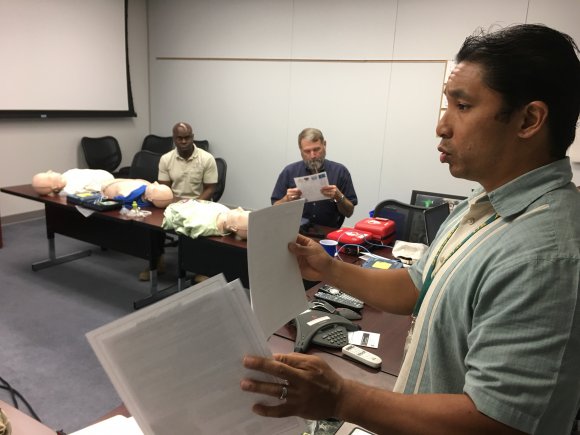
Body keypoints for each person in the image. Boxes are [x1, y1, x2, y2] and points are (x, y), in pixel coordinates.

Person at [241, 24, 580, 434]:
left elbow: (496, 421)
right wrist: (326, 268)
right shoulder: (480, 205)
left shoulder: (546, 254)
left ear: (529, 120)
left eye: (463, 106)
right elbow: (416, 288)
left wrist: (342, 398)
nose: (442, 126)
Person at [271, 128, 358, 228]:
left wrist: (339, 197)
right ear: (300, 150)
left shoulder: (340, 172)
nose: (312, 156)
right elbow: (274, 210)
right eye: (307, 151)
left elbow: (349, 212)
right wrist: (286, 199)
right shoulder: (289, 172)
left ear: (324, 145)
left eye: (316, 149)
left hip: (328, 235)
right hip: (295, 233)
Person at [158, 122, 218, 200]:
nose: (184, 141)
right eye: (179, 138)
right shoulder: (165, 159)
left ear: (192, 137)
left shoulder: (207, 158)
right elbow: (165, 190)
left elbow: (210, 189)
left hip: (200, 204)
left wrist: (193, 205)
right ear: (174, 139)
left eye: (187, 138)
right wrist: (179, 204)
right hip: (174, 203)